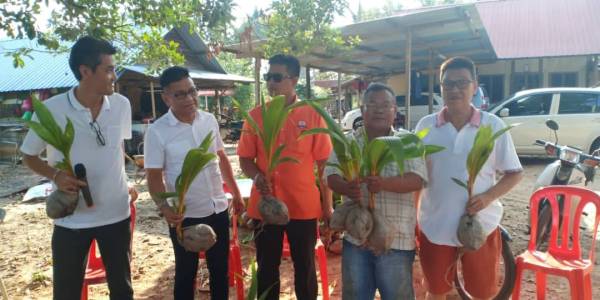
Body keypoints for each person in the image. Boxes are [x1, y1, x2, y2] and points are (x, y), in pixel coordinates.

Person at [20, 36, 134, 300]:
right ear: (85, 71)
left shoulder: (121, 105)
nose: (114, 76)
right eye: (108, 69)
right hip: (71, 219)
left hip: (116, 215)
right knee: (67, 292)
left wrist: (125, 183)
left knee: (122, 290)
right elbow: (29, 155)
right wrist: (57, 175)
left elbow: (116, 150)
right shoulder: (52, 109)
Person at [415, 56, 523, 300]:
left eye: (462, 83)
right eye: (447, 84)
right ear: (440, 88)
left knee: (482, 293)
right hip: (435, 225)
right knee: (436, 291)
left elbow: (514, 173)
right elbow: (416, 176)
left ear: (475, 86)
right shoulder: (425, 126)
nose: (454, 89)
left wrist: (487, 197)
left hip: (480, 225)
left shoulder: (492, 126)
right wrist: (414, 217)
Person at [237, 54, 333, 300]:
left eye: (277, 77)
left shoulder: (312, 114)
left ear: (294, 79)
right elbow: (245, 158)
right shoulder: (256, 115)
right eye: (268, 77)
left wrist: (328, 208)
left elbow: (324, 164)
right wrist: (258, 177)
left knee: (305, 268)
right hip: (265, 207)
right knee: (267, 268)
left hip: (303, 206)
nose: (271, 83)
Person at [144, 66, 244, 300]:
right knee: (186, 273)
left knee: (220, 271)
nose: (189, 98)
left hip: (217, 207)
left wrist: (236, 194)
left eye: (192, 91)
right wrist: (165, 209)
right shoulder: (158, 132)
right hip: (184, 214)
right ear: (166, 97)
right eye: (180, 94)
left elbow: (221, 158)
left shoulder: (208, 120)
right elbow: (154, 176)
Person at [326, 83, 427, 300]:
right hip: (356, 237)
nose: (379, 109)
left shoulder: (408, 142)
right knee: (355, 296)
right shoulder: (348, 142)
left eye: (386, 105)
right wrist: (346, 187)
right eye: (372, 104)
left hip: (397, 239)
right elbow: (330, 175)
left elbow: (418, 180)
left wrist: (383, 184)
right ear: (362, 110)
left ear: (395, 111)